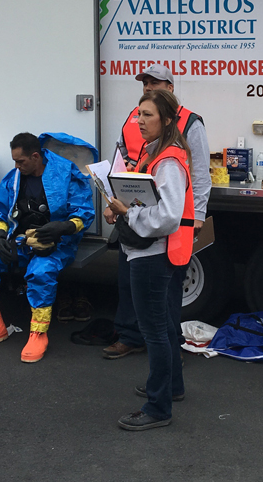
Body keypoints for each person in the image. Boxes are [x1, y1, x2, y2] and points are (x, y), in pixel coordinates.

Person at [103, 63, 211, 360]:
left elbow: (201, 174)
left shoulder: (191, 123)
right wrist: (113, 202)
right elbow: (121, 163)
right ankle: (130, 335)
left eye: (156, 83)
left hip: (166, 224)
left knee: (166, 293)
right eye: (145, 83)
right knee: (129, 281)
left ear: (170, 88)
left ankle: (167, 351)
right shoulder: (134, 119)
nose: (149, 87)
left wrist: (198, 216)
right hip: (133, 218)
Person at [108, 89, 194, 431]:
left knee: (154, 332)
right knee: (163, 328)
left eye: (148, 115)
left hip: (152, 255)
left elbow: (168, 216)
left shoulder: (168, 161)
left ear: (168, 120)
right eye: (138, 114)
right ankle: (171, 388)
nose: (139, 121)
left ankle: (158, 408)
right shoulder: (156, 153)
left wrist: (127, 214)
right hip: (156, 252)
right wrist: (123, 209)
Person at [0, 132, 95, 363]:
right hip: (19, 240)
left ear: (36, 156)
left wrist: (63, 227)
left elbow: (83, 214)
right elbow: (0, 212)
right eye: (15, 161)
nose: (16, 166)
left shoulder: (65, 174)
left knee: (40, 272)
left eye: (21, 161)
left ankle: (38, 334)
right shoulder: (14, 178)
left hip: (58, 244)